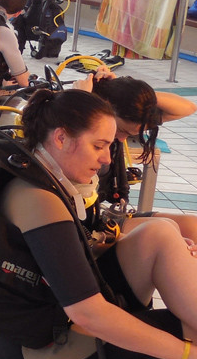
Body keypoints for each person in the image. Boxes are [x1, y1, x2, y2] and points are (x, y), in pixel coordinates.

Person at [0, 88, 197, 359]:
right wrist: (186, 356)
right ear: (60, 138)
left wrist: (171, 258)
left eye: (110, 146)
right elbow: (88, 313)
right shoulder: (38, 199)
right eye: (98, 145)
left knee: (161, 233)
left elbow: (79, 250)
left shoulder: (41, 171)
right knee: (190, 335)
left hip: (49, 317)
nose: (107, 159)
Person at [74, 71, 197, 237]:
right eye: (122, 130)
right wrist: (81, 98)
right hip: (83, 226)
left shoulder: (119, 115)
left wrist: (134, 95)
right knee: (165, 234)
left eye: (130, 135)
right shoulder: (74, 127)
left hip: (103, 218)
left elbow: (188, 108)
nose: (122, 138)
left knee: (192, 226)